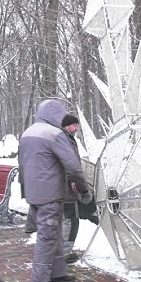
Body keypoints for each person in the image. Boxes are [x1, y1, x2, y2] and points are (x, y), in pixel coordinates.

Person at [18, 99, 93, 282]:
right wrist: (84, 190)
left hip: (34, 193)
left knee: (56, 234)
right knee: (47, 237)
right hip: (50, 194)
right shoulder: (54, 134)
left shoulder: (28, 133)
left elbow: (22, 165)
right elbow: (73, 165)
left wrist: (26, 191)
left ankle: (58, 273)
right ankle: (40, 281)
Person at [61, 113, 82, 264]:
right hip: (66, 188)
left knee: (70, 219)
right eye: (75, 125)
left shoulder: (69, 139)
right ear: (67, 125)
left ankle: (64, 250)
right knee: (69, 220)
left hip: (67, 187)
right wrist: (72, 179)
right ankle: (65, 253)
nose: (76, 128)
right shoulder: (64, 140)